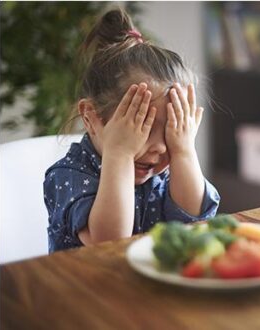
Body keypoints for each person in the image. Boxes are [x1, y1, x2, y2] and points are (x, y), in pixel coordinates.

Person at [43, 8, 220, 252]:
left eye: (170, 131)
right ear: (91, 117)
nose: (159, 146)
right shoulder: (69, 175)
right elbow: (109, 242)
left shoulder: (167, 169)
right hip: (83, 286)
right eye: (143, 129)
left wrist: (183, 151)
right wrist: (120, 154)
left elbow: (195, 220)